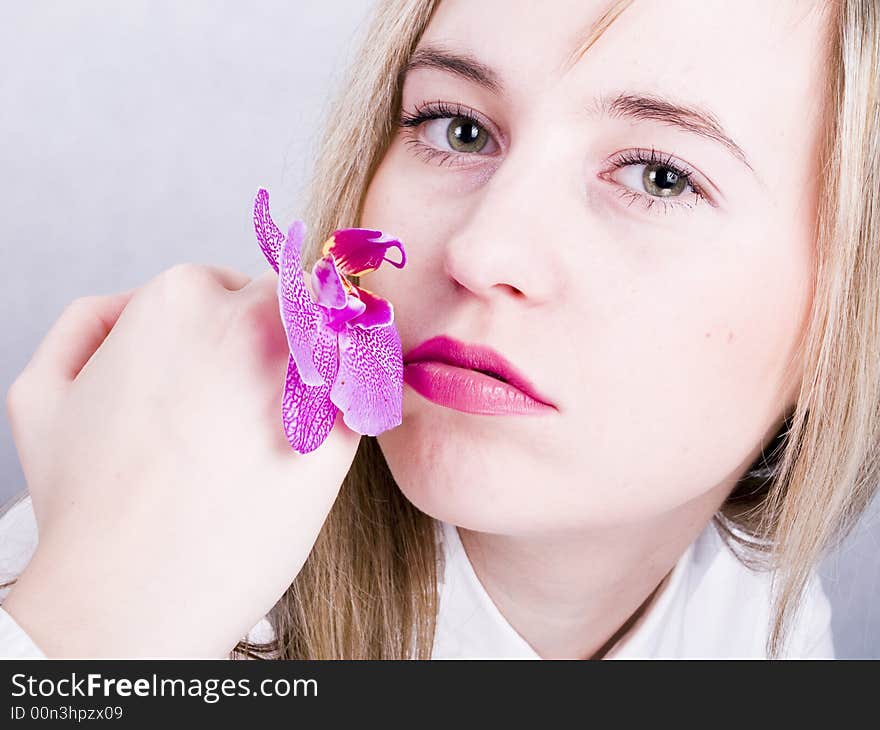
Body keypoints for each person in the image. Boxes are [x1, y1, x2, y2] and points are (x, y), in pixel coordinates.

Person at [1, 0, 878, 659]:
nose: (480, 246)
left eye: (657, 177)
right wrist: (92, 626)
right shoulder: (155, 538)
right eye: (457, 128)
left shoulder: (763, 617)